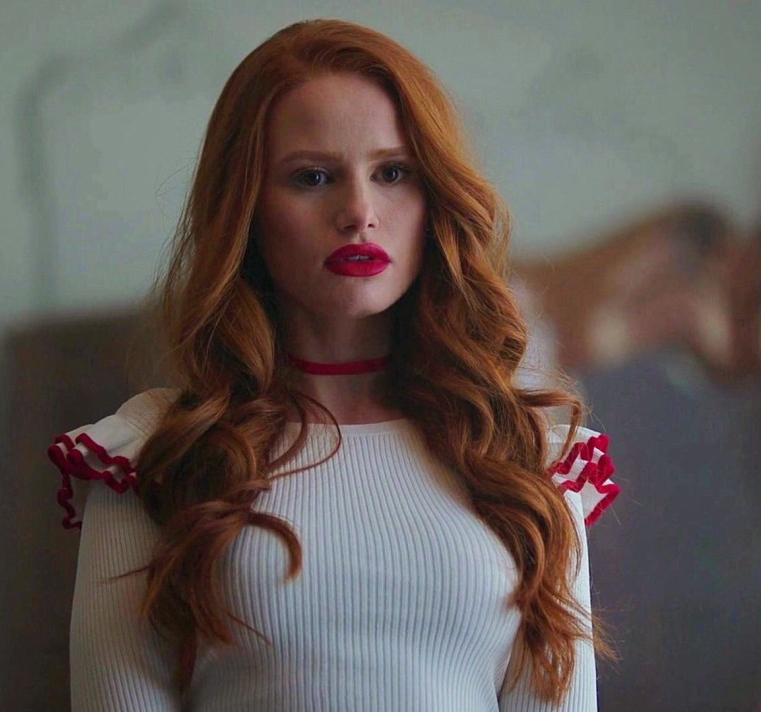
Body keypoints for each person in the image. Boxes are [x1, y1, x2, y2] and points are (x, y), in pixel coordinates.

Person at [47, 19, 619, 711]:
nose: (358, 212)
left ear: (435, 197)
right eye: (312, 177)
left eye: (393, 173)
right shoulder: (156, 456)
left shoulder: (524, 457)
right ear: (246, 207)